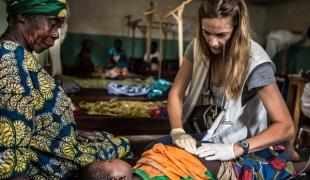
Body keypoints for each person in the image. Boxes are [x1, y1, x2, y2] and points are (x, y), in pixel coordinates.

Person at [0, 0, 131, 179]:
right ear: (23, 17)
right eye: (53, 24)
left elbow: (28, 117)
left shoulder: (18, 54)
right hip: (51, 166)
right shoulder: (10, 62)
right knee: (123, 145)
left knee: (110, 139)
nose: (56, 34)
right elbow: (10, 146)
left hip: (54, 148)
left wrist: (68, 132)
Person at [164, 0, 299, 165]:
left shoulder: (255, 62)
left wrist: (237, 147)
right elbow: (176, 93)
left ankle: (289, 153)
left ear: (237, 30)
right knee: (155, 149)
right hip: (205, 132)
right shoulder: (196, 47)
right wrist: (177, 130)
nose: (213, 42)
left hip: (237, 140)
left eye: (221, 35)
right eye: (206, 32)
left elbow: (286, 126)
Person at [79, 143, 310, 180]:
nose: (115, 158)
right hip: (227, 172)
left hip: (217, 155)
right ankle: (297, 162)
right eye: (111, 160)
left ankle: (288, 154)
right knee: (266, 172)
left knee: (257, 160)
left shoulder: (139, 168)